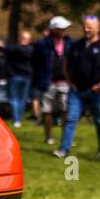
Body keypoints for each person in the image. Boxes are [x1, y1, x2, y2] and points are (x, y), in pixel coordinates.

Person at [54, 14, 100, 161]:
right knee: (71, 119)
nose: (86, 29)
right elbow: (66, 64)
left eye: (90, 26)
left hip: (97, 91)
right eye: (85, 26)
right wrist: (70, 81)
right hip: (77, 90)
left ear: (98, 28)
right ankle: (63, 149)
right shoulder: (76, 46)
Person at [33, 16, 73, 145]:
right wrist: (39, 81)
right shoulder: (42, 44)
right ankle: (48, 137)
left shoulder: (69, 42)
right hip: (48, 82)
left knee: (65, 110)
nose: (64, 30)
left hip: (65, 82)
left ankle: (66, 138)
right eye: (62, 28)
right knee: (47, 110)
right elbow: (36, 64)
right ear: (54, 29)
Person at [3, 30, 35, 127]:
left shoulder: (13, 49)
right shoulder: (31, 50)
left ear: (19, 39)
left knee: (14, 98)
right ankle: (19, 118)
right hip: (27, 76)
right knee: (23, 99)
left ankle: (16, 119)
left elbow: (4, 51)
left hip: (15, 75)